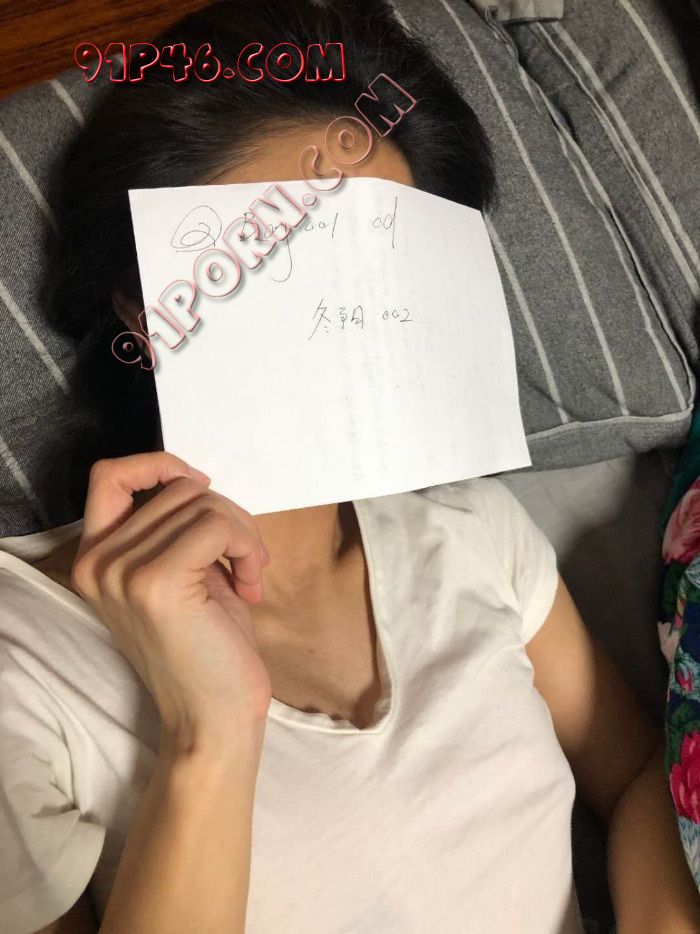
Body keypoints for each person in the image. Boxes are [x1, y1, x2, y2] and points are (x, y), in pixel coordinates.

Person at [0, 1, 699, 933]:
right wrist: (211, 734)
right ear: (144, 305)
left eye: (385, 271)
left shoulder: (473, 530)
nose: (347, 319)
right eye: (284, 258)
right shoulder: (21, 655)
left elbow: (637, 768)